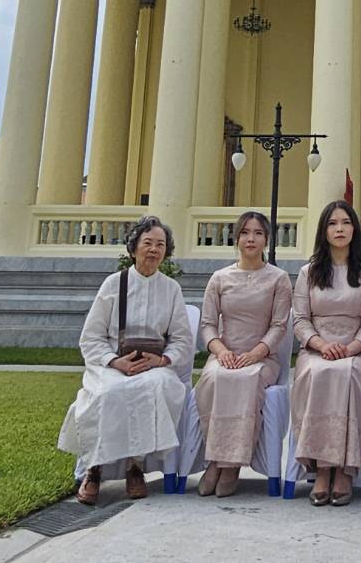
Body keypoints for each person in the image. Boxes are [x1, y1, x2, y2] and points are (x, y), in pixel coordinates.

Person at [58, 214, 193, 505]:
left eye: (160, 244)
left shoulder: (171, 289)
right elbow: (90, 337)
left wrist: (162, 361)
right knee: (108, 392)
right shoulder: (113, 284)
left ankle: (136, 466)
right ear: (134, 248)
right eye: (148, 243)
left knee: (156, 388)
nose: (154, 250)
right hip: (113, 364)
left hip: (153, 366)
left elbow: (183, 340)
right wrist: (114, 361)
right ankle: (94, 469)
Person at [195, 210, 293, 498]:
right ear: (236, 238)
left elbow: (279, 326)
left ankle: (231, 465)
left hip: (262, 357)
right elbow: (208, 325)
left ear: (266, 240)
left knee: (246, 379)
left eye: (258, 233)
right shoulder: (219, 278)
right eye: (245, 232)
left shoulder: (278, 279)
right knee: (214, 378)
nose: (251, 238)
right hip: (225, 353)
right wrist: (221, 351)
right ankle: (215, 460)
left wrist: (257, 353)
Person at [290, 200, 361, 506]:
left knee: (349, 373)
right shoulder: (308, 272)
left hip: (357, 351)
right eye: (332, 223)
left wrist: (352, 348)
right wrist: (321, 344)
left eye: (345, 222)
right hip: (317, 348)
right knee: (318, 372)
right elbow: (300, 320)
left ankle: (344, 468)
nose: (339, 229)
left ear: (354, 228)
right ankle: (323, 468)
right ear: (324, 231)